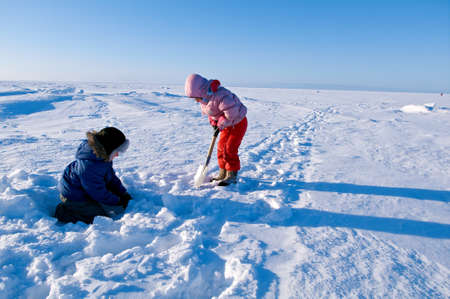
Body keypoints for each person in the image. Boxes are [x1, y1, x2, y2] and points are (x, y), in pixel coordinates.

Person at [54, 127, 131, 224]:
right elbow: (96, 190)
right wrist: (117, 201)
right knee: (100, 217)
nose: (117, 155)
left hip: (85, 190)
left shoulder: (103, 158)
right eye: (117, 151)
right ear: (108, 148)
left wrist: (122, 193)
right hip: (74, 197)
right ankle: (65, 211)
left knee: (106, 203)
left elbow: (111, 178)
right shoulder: (89, 166)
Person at [185, 73, 247, 186]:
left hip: (237, 123)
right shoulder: (204, 99)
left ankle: (232, 175)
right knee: (221, 148)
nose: (196, 101)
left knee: (229, 149)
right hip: (226, 125)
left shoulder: (221, 96)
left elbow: (232, 113)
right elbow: (211, 113)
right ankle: (223, 173)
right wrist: (214, 122)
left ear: (201, 91)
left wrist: (222, 121)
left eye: (196, 97)